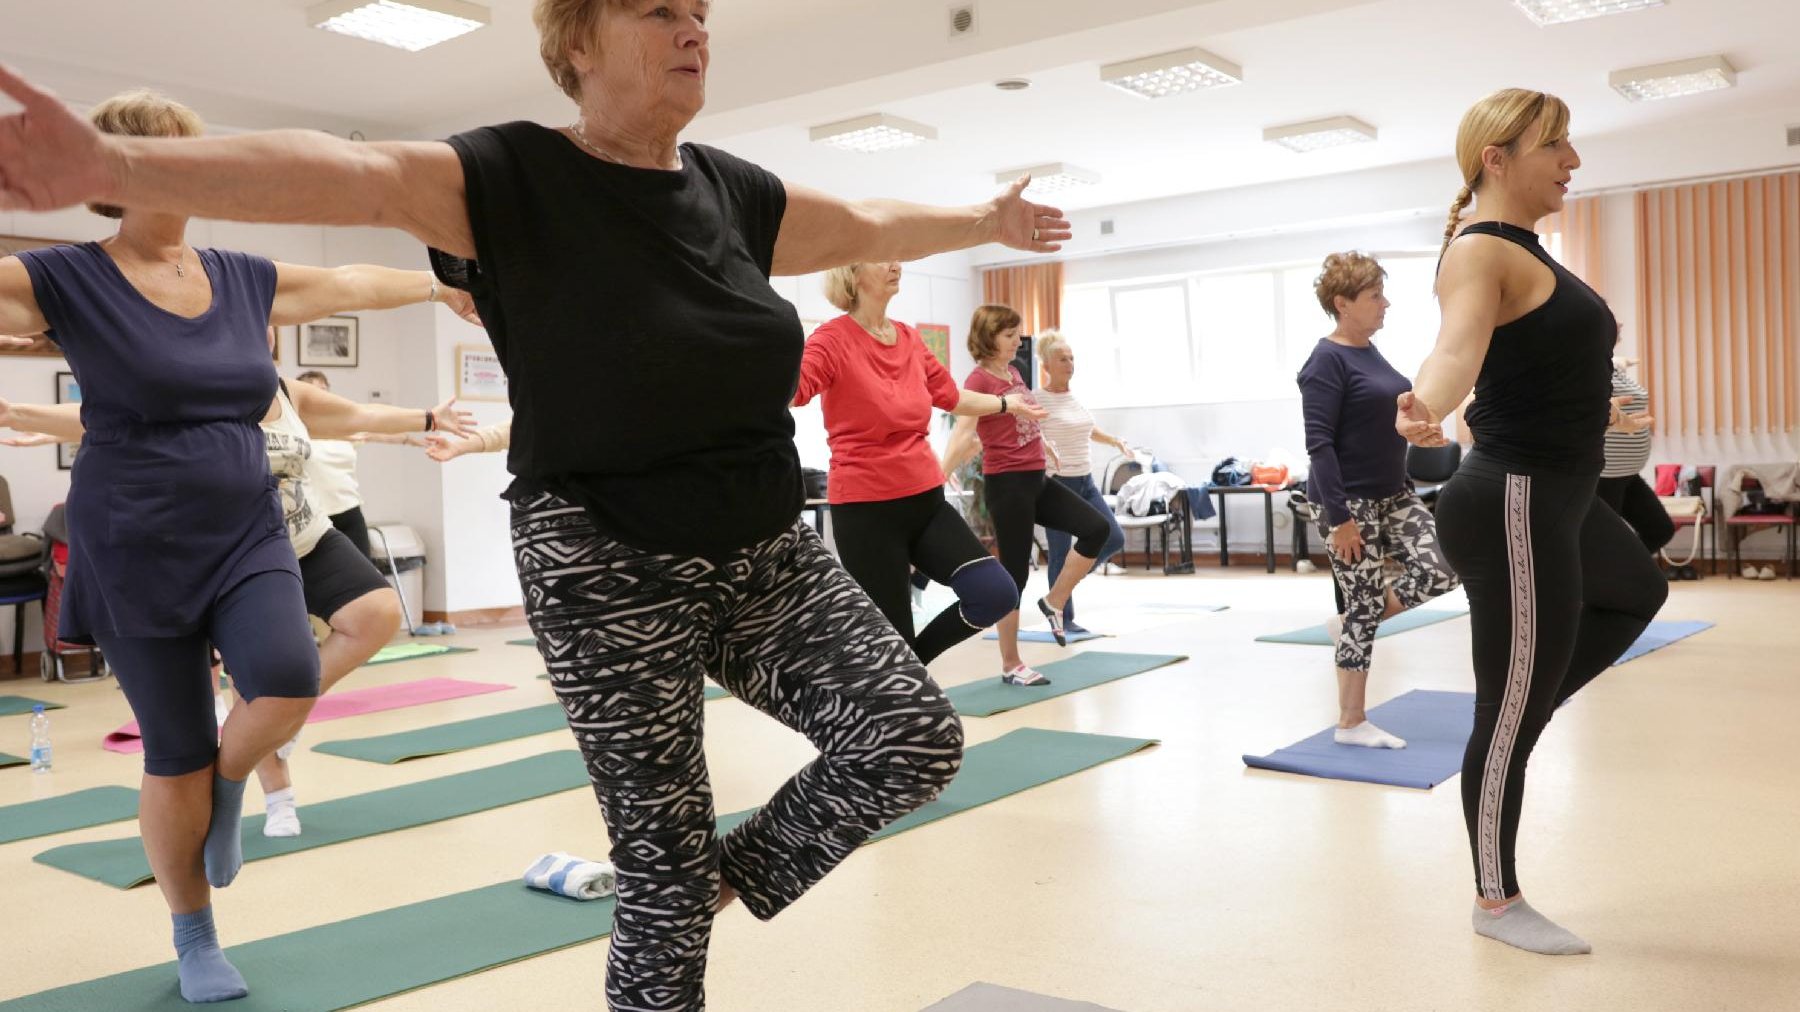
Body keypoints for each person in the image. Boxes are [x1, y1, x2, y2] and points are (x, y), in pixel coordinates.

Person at [0, 4, 1073, 1004]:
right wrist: (110, 163)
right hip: (602, 557)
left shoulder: (734, 191)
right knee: (658, 880)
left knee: (910, 739)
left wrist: (984, 216)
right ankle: (670, 891)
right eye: (656, 9)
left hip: (762, 548)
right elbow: (351, 171)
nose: (692, 27)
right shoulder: (511, 175)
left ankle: (698, 882)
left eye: (700, 11)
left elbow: (867, 216)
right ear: (578, 45)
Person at [0, 88, 476, 1004]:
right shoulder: (64, 277)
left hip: (247, 523)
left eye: (193, 153)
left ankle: (228, 783)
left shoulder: (237, 273)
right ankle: (194, 936)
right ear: (111, 173)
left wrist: (440, 280)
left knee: (287, 675)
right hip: (132, 537)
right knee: (170, 751)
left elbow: (342, 285)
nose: (190, 171)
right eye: (164, 155)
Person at [1397, 88, 1667, 956]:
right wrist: (1427, 406)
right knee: (1507, 709)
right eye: (1557, 145)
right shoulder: (1479, 250)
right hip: (1512, 496)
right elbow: (1456, 346)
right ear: (1497, 159)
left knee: (1638, 590)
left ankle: (1515, 721)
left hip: (1562, 495)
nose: (1573, 161)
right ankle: (1496, 899)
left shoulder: (1526, 250)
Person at [3, 373, 476, 837]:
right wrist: (19, 413)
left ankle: (281, 712)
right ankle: (275, 797)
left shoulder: (285, 390)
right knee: (249, 680)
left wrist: (431, 417)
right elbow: (97, 415)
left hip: (304, 536)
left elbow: (357, 414)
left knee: (376, 613)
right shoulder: (188, 386)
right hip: (228, 555)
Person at [792, 262, 1026, 664]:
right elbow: (795, 388)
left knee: (995, 592)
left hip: (926, 500)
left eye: (897, 255)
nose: (895, 264)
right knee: (891, 638)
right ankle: (902, 676)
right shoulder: (831, 339)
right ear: (852, 274)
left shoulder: (908, 338)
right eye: (881, 257)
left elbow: (950, 396)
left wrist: (1006, 404)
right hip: (867, 511)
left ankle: (912, 665)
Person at [1297, 252, 1460, 749]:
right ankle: (1351, 722)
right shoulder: (1325, 361)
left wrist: (1412, 423)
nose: (1385, 304)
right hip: (1347, 502)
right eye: (1374, 296)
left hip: (1395, 491)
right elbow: (1319, 445)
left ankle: (1349, 622)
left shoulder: (1370, 352)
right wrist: (1340, 520)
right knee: (1365, 600)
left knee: (1443, 568)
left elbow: (1386, 414)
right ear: (1343, 303)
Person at [943, 305, 1112, 684]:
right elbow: (963, 432)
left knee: (1096, 529)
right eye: (1009, 336)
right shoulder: (978, 380)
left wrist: (1045, 443)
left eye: (1018, 334)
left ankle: (1054, 602)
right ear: (988, 337)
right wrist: (938, 475)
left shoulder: (1014, 372)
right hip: (1008, 485)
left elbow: (1025, 417)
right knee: (1013, 577)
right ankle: (1010, 664)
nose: (1018, 342)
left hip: (1037, 478)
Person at [1033, 330, 1129, 634]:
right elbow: (1030, 434)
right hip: (1058, 485)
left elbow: (1086, 429)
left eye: (1072, 358)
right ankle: (1063, 618)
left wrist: (1114, 440)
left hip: (1085, 481)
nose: (1070, 363)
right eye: (1062, 358)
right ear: (1046, 364)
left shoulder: (1073, 398)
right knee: (1060, 555)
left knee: (1114, 537)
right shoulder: (1037, 398)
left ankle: (1060, 591)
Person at [291, 368, 429, 558]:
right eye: (315, 390)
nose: (322, 394)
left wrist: (413, 440)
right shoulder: (295, 430)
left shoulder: (342, 428)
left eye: (325, 389)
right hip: (312, 518)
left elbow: (379, 431)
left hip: (349, 513)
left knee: (364, 576)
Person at [1595, 351, 1670, 554]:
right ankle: (1611, 581)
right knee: (1602, 543)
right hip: (1604, 475)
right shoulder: (1586, 365)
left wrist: (1618, 362)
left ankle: (1623, 577)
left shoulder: (1613, 364)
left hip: (1627, 474)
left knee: (1660, 530)